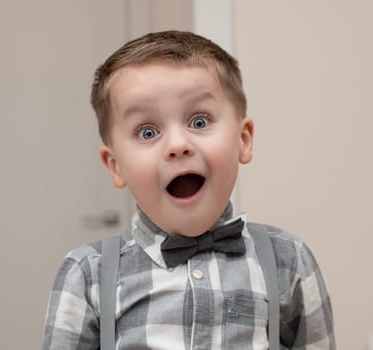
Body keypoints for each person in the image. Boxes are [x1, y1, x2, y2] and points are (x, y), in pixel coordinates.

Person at [42, 30, 335, 349]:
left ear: (243, 139)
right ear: (116, 165)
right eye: (148, 131)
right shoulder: (87, 274)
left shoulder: (289, 261)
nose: (178, 145)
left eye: (199, 122)